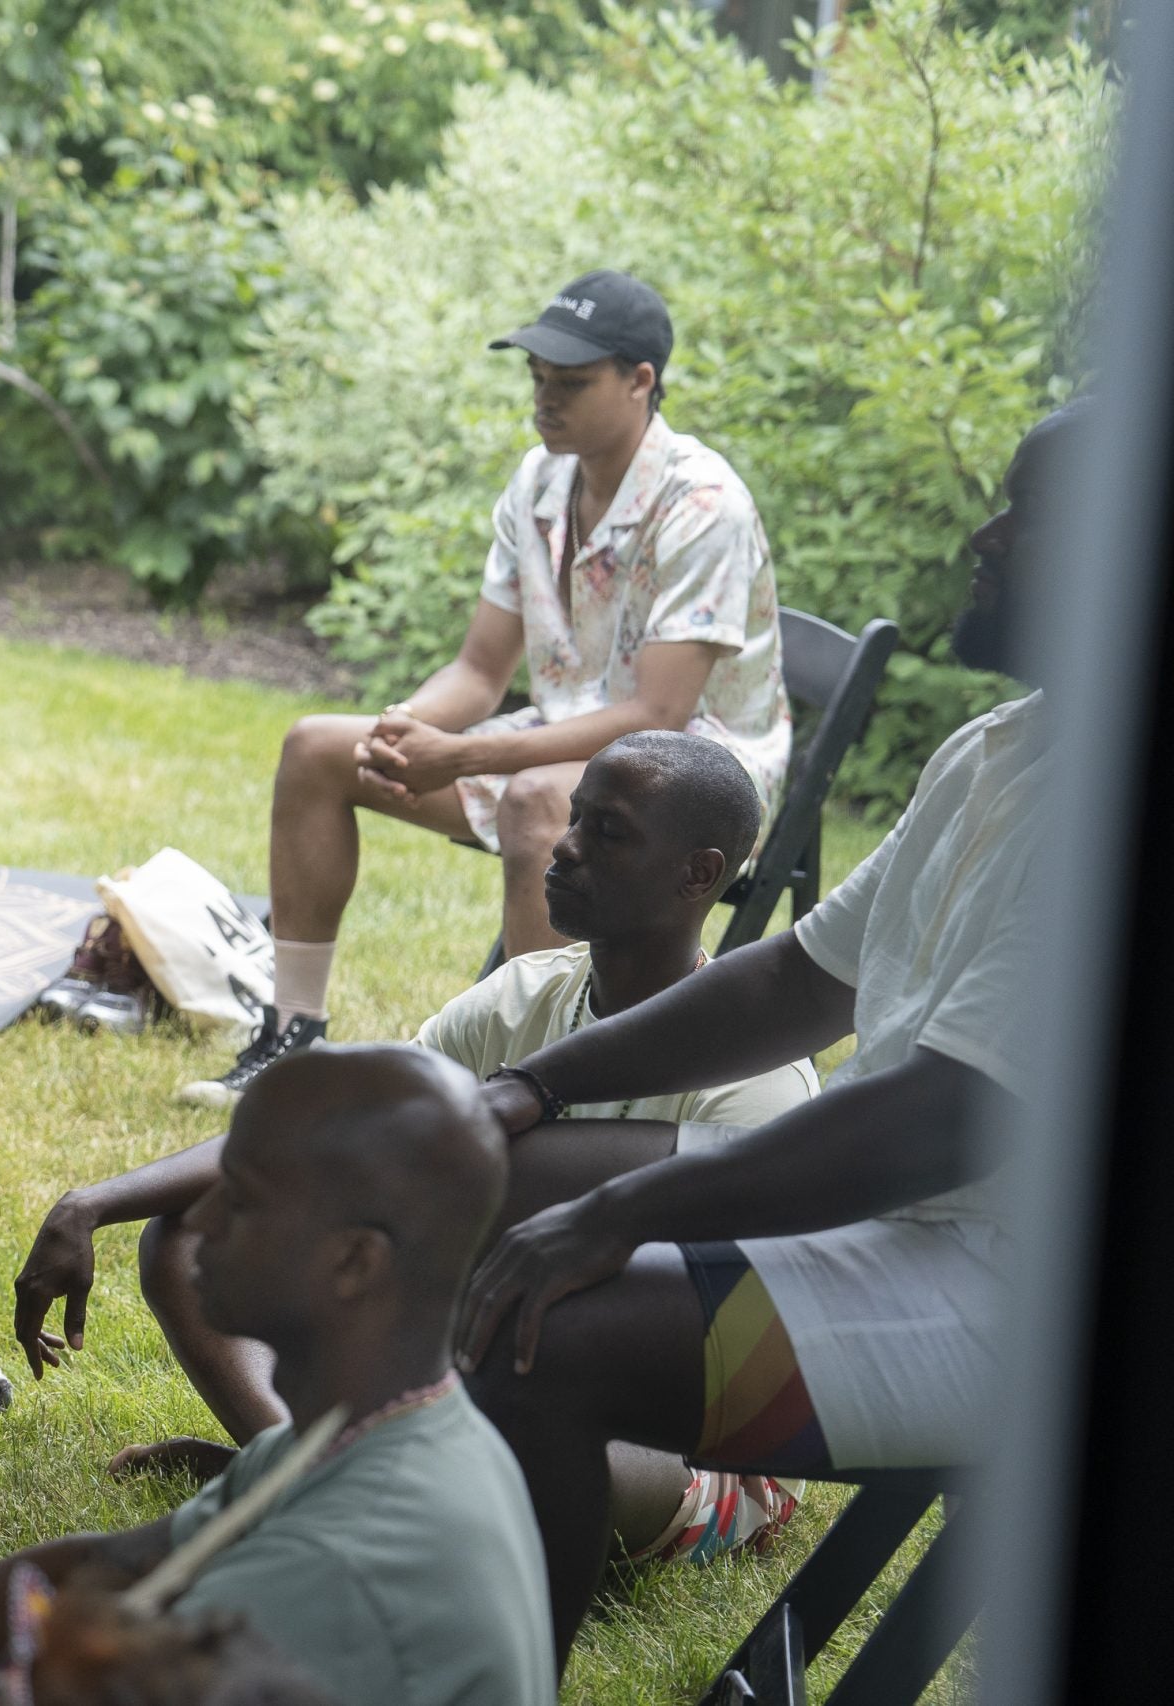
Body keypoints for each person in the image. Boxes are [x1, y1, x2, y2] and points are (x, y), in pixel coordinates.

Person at [448, 403, 1077, 1667]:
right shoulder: (1000, 749)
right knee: (485, 1199)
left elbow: (939, 1117)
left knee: (547, 1335)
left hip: (1007, 1299)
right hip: (915, 1243)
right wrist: (529, 1086)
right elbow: (789, 978)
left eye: (1029, 511)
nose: (988, 534)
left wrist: (626, 1210)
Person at [15, 730, 817, 1552]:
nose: (565, 847)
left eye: (607, 832)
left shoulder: (757, 1078)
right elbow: (334, 1131)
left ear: (699, 874)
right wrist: (94, 1203)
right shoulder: (520, 999)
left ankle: (313, 1480)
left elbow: (721, 1345)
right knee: (194, 1233)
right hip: (498, 1360)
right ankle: (313, 1476)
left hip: (691, 1440)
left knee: (535, 1426)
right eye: (573, 819)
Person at [0, 1049, 554, 1706]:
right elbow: (100, 1564)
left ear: (354, 1262)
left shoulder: (330, 1576)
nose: (197, 1220)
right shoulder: (377, 1425)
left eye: (245, 1196)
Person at [187, 270, 787, 1109]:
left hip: (696, 777)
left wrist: (465, 755)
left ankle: (544, 1088)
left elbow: (659, 717)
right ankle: (289, 1038)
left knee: (542, 801)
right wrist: (407, 731)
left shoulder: (704, 503)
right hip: (558, 738)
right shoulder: (538, 482)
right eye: (538, 379)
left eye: (570, 382)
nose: (545, 399)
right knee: (319, 748)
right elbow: (478, 672)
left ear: (641, 382)